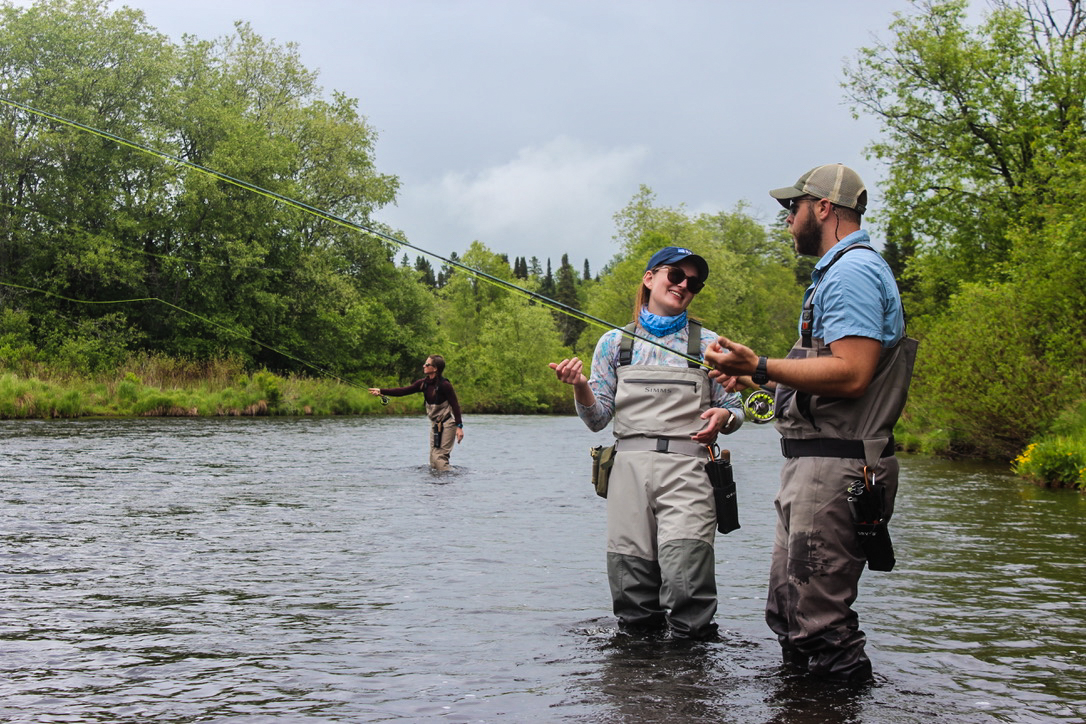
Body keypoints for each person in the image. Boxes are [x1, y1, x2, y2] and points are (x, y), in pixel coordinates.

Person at [705, 164, 917, 681]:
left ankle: (836, 708)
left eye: (792, 207)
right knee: (790, 611)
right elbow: (829, 382)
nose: (787, 219)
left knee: (819, 624)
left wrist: (759, 365)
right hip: (817, 466)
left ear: (823, 208)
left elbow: (852, 374)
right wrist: (761, 385)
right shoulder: (838, 272)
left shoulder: (853, 272)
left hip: (837, 472)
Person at [550, 246, 745, 640]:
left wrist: (723, 417)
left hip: (689, 470)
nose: (684, 285)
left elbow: (737, 409)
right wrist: (582, 387)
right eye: (675, 275)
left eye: (694, 283)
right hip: (627, 471)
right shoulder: (612, 344)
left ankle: (690, 676)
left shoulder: (710, 346)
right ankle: (635, 681)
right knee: (631, 587)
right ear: (649, 278)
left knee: (686, 578)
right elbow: (597, 419)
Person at [369, 355, 464, 471]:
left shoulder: (445, 385)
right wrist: (381, 391)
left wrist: (459, 427)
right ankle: (438, 484)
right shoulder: (423, 383)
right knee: (433, 460)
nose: (424, 366)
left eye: (427, 364)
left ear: (435, 368)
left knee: (439, 458)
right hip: (435, 425)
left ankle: (447, 483)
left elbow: (455, 405)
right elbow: (403, 391)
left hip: (448, 424)